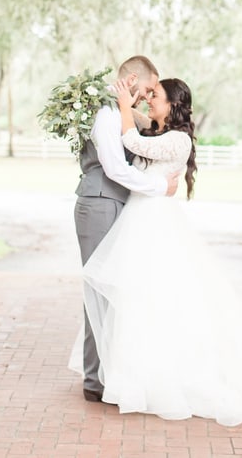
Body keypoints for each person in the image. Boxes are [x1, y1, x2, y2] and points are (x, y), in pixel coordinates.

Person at [78, 76, 242, 429]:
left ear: (174, 105)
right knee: (140, 299)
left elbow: (129, 138)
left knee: (161, 298)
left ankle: (168, 377)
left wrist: (123, 106)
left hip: (155, 223)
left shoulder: (177, 141)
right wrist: (126, 102)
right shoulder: (157, 132)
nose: (149, 102)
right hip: (138, 220)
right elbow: (132, 134)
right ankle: (135, 374)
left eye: (155, 97)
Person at [73, 55, 180, 403]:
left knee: (112, 290)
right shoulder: (106, 113)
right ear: (132, 79)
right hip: (101, 201)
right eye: (148, 89)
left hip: (114, 202)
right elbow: (116, 169)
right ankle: (95, 381)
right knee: (101, 290)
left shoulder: (117, 110)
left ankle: (107, 374)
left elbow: (142, 129)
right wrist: (159, 187)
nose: (148, 96)